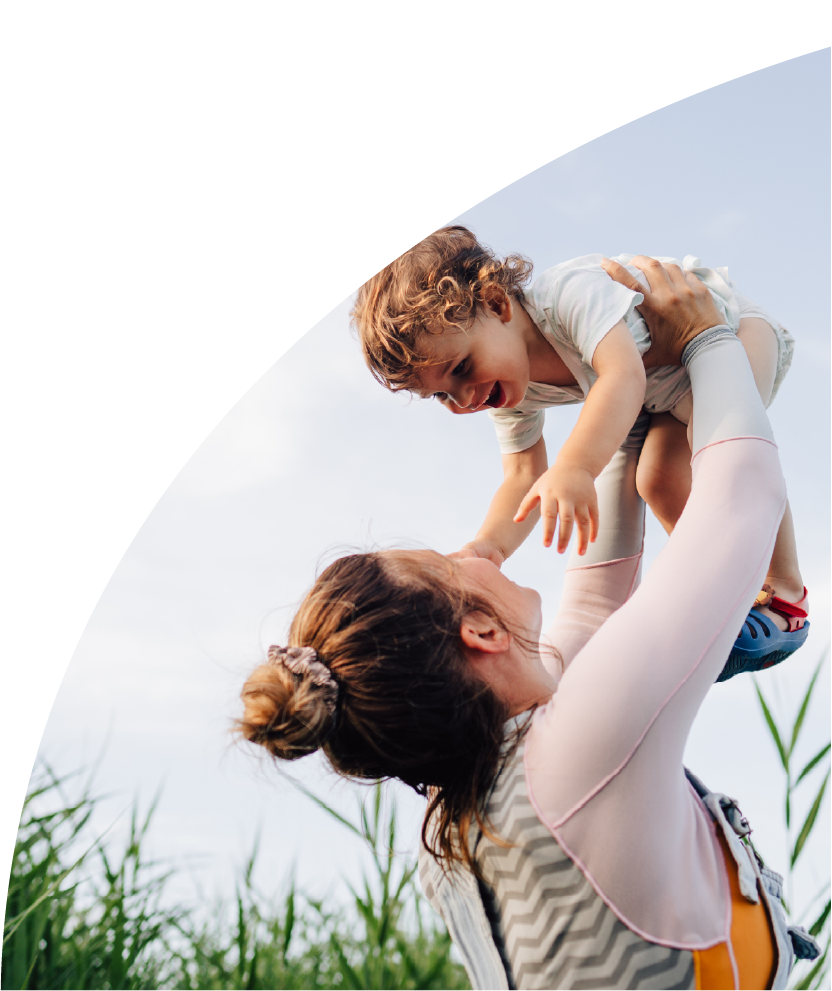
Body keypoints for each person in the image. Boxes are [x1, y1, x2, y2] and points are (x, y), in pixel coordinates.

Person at [239, 261, 817, 990]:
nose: (479, 554)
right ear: (480, 633)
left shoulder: (467, 811)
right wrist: (706, 339)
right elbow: (741, 501)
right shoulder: (578, 751)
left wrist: (626, 415)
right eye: (454, 563)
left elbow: (595, 605)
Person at [351, 228, 809, 678]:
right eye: (442, 395)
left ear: (496, 303)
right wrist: (489, 546)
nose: (464, 398)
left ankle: (786, 591)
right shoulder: (507, 389)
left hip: (730, 330)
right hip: (673, 388)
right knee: (657, 479)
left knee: (723, 448)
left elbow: (621, 376)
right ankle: (736, 595)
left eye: (461, 368)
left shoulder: (568, 296)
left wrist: (576, 467)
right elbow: (523, 475)